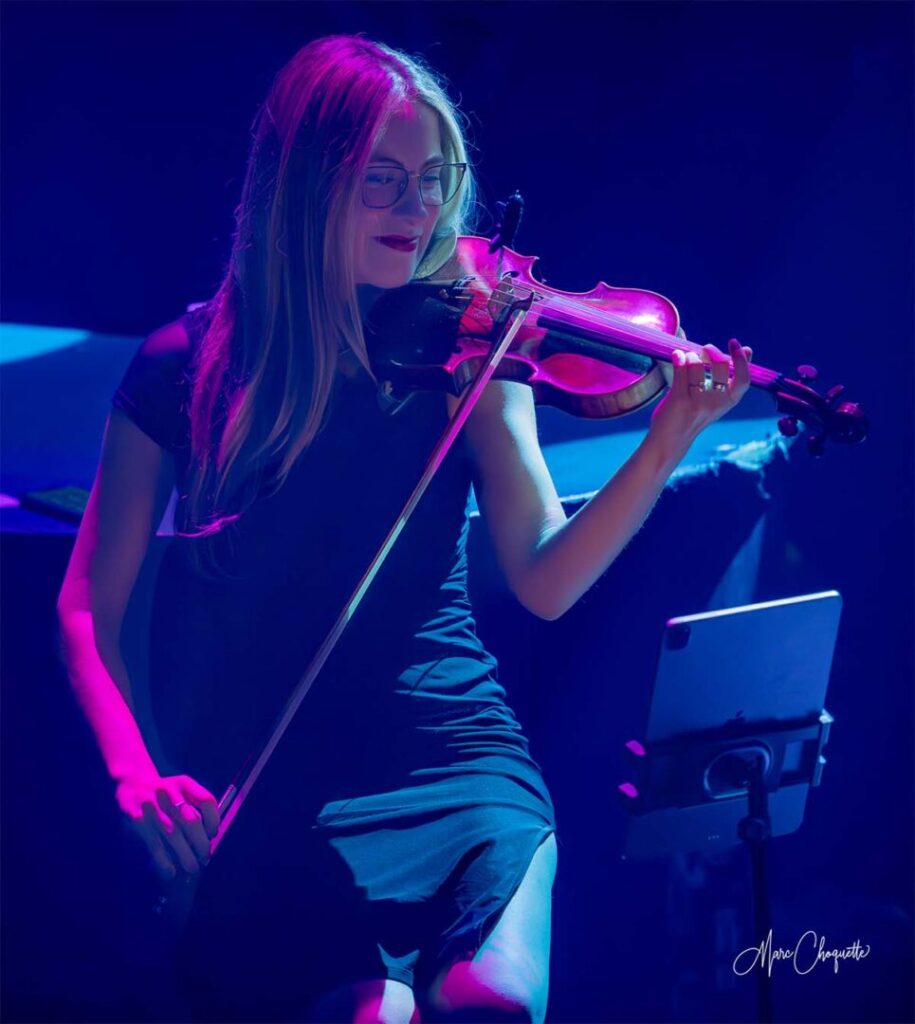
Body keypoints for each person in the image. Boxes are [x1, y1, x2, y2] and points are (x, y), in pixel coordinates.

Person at [55, 34, 752, 1024]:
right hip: (278, 792)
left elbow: (546, 580)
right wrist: (133, 774)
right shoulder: (189, 363)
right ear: (305, 185)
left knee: (493, 1007)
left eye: (433, 181)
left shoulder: (478, 342)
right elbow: (88, 604)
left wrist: (667, 439)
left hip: (455, 757)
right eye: (382, 181)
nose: (418, 210)